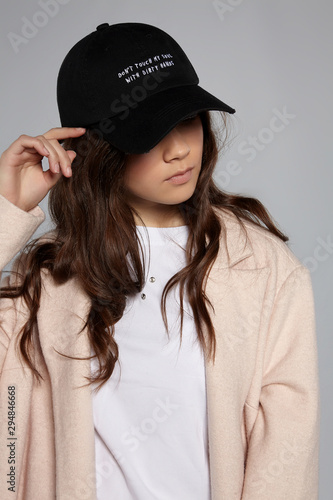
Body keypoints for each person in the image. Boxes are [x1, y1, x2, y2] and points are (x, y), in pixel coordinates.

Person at [0, 22, 319, 500]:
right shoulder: (48, 278)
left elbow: (288, 450)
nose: (179, 150)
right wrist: (7, 212)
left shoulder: (265, 270)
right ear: (96, 150)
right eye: (149, 133)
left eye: (187, 119)